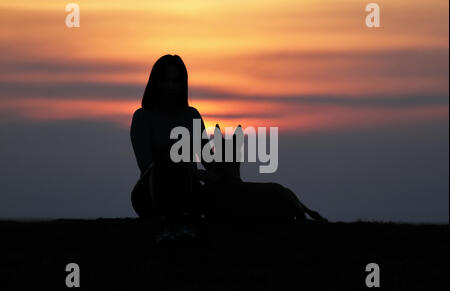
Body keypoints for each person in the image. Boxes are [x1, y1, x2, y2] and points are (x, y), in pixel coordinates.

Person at [130, 54, 326, 235]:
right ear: (156, 82)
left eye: (176, 81)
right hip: (154, 192)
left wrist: (229, 162)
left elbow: (208, 161)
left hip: (189, 190)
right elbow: (146, 165)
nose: (171, 87)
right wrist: (187, 172)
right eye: (166, 80)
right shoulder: (142, 117)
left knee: (230, 194)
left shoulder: (191, 116)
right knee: (170, 174)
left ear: (183, 85)